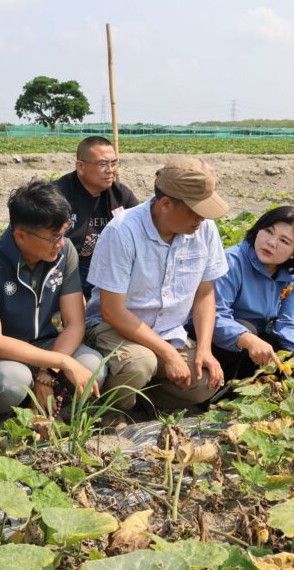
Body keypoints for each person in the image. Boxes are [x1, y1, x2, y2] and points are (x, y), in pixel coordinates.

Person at [85, 156, 229, 415]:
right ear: (165, 204)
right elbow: (112, 311)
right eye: (195, 211)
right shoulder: (123, 231)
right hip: (114, 328)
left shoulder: (204, 229)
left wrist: (205, 350)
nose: (201, 219)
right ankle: (108, 414)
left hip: (167, 331)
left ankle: (141, 407)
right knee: (140, 363)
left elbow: (204, 294)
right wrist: (168, 354)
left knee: (206, 379)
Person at [0, 180, 105, 423]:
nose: (61, 243)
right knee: (11, 383)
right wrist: (61, 361)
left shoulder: (64, 251)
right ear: (21, 236)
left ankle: (55, 412)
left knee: (93, 367)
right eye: (53, 237)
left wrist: (48, 372)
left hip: (46, 344)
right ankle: (1, 420)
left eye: (63, 234)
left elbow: (75, 324)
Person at [210, 206, 294, 382]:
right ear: (257, 230)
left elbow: (287, 322)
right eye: (268, 231)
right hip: (217, 339)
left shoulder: (292, 277)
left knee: (282, 350)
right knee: (248, 328)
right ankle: (218, 390)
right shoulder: (230, 262)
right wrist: (246, 337)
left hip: (255, 341)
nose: (271, 242)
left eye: (284, 241)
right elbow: (214, 316)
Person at [56, 136, 139, 298]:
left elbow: (140, 234)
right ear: (80, 166)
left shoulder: (121, 195)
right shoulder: (57, 195)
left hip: (109, 270)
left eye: (114, 163)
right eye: (103, 164)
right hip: (66, 269)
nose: (110, 170)